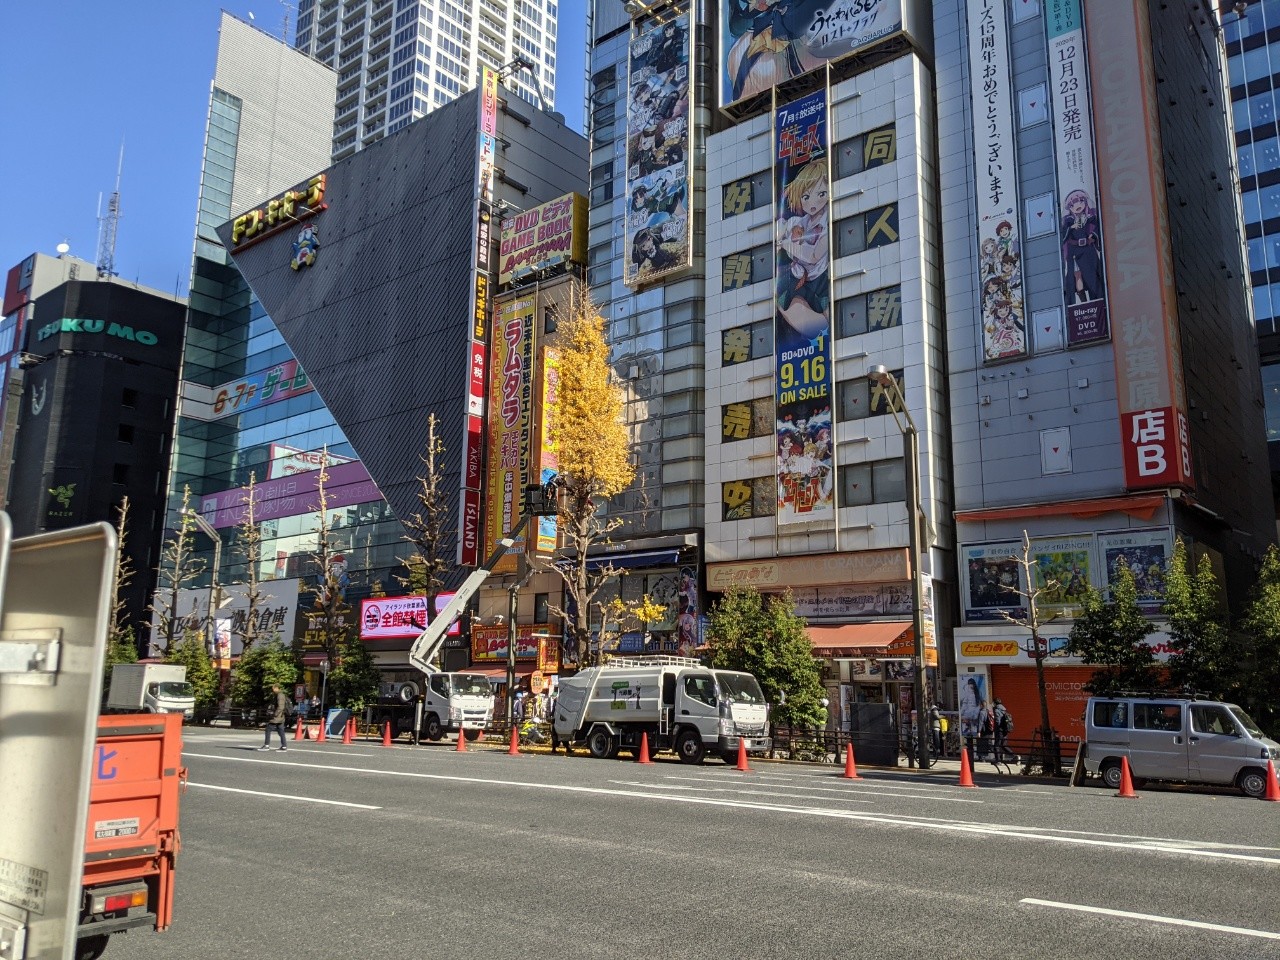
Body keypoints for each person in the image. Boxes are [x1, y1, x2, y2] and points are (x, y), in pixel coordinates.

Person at [260, 684, 289, 751]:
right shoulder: (280, 695)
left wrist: (274, 714)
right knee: (281, 731)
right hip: (280, 717)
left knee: (268, 729)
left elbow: (280, 707)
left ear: (276, 688)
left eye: (273, 688)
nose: (272, 690)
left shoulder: (280, 695)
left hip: (277, 717)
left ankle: (266, 745)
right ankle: (284, 746)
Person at [992, 699, 1015, 763]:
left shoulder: (996, 710)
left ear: (995, 703)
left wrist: (996, 727)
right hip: (1005, 729)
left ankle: (998, 760)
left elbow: (997, 721)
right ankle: (1014, 756)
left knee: (996, 746)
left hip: (999, 730)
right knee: (1004, 745)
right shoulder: (1004, 710)